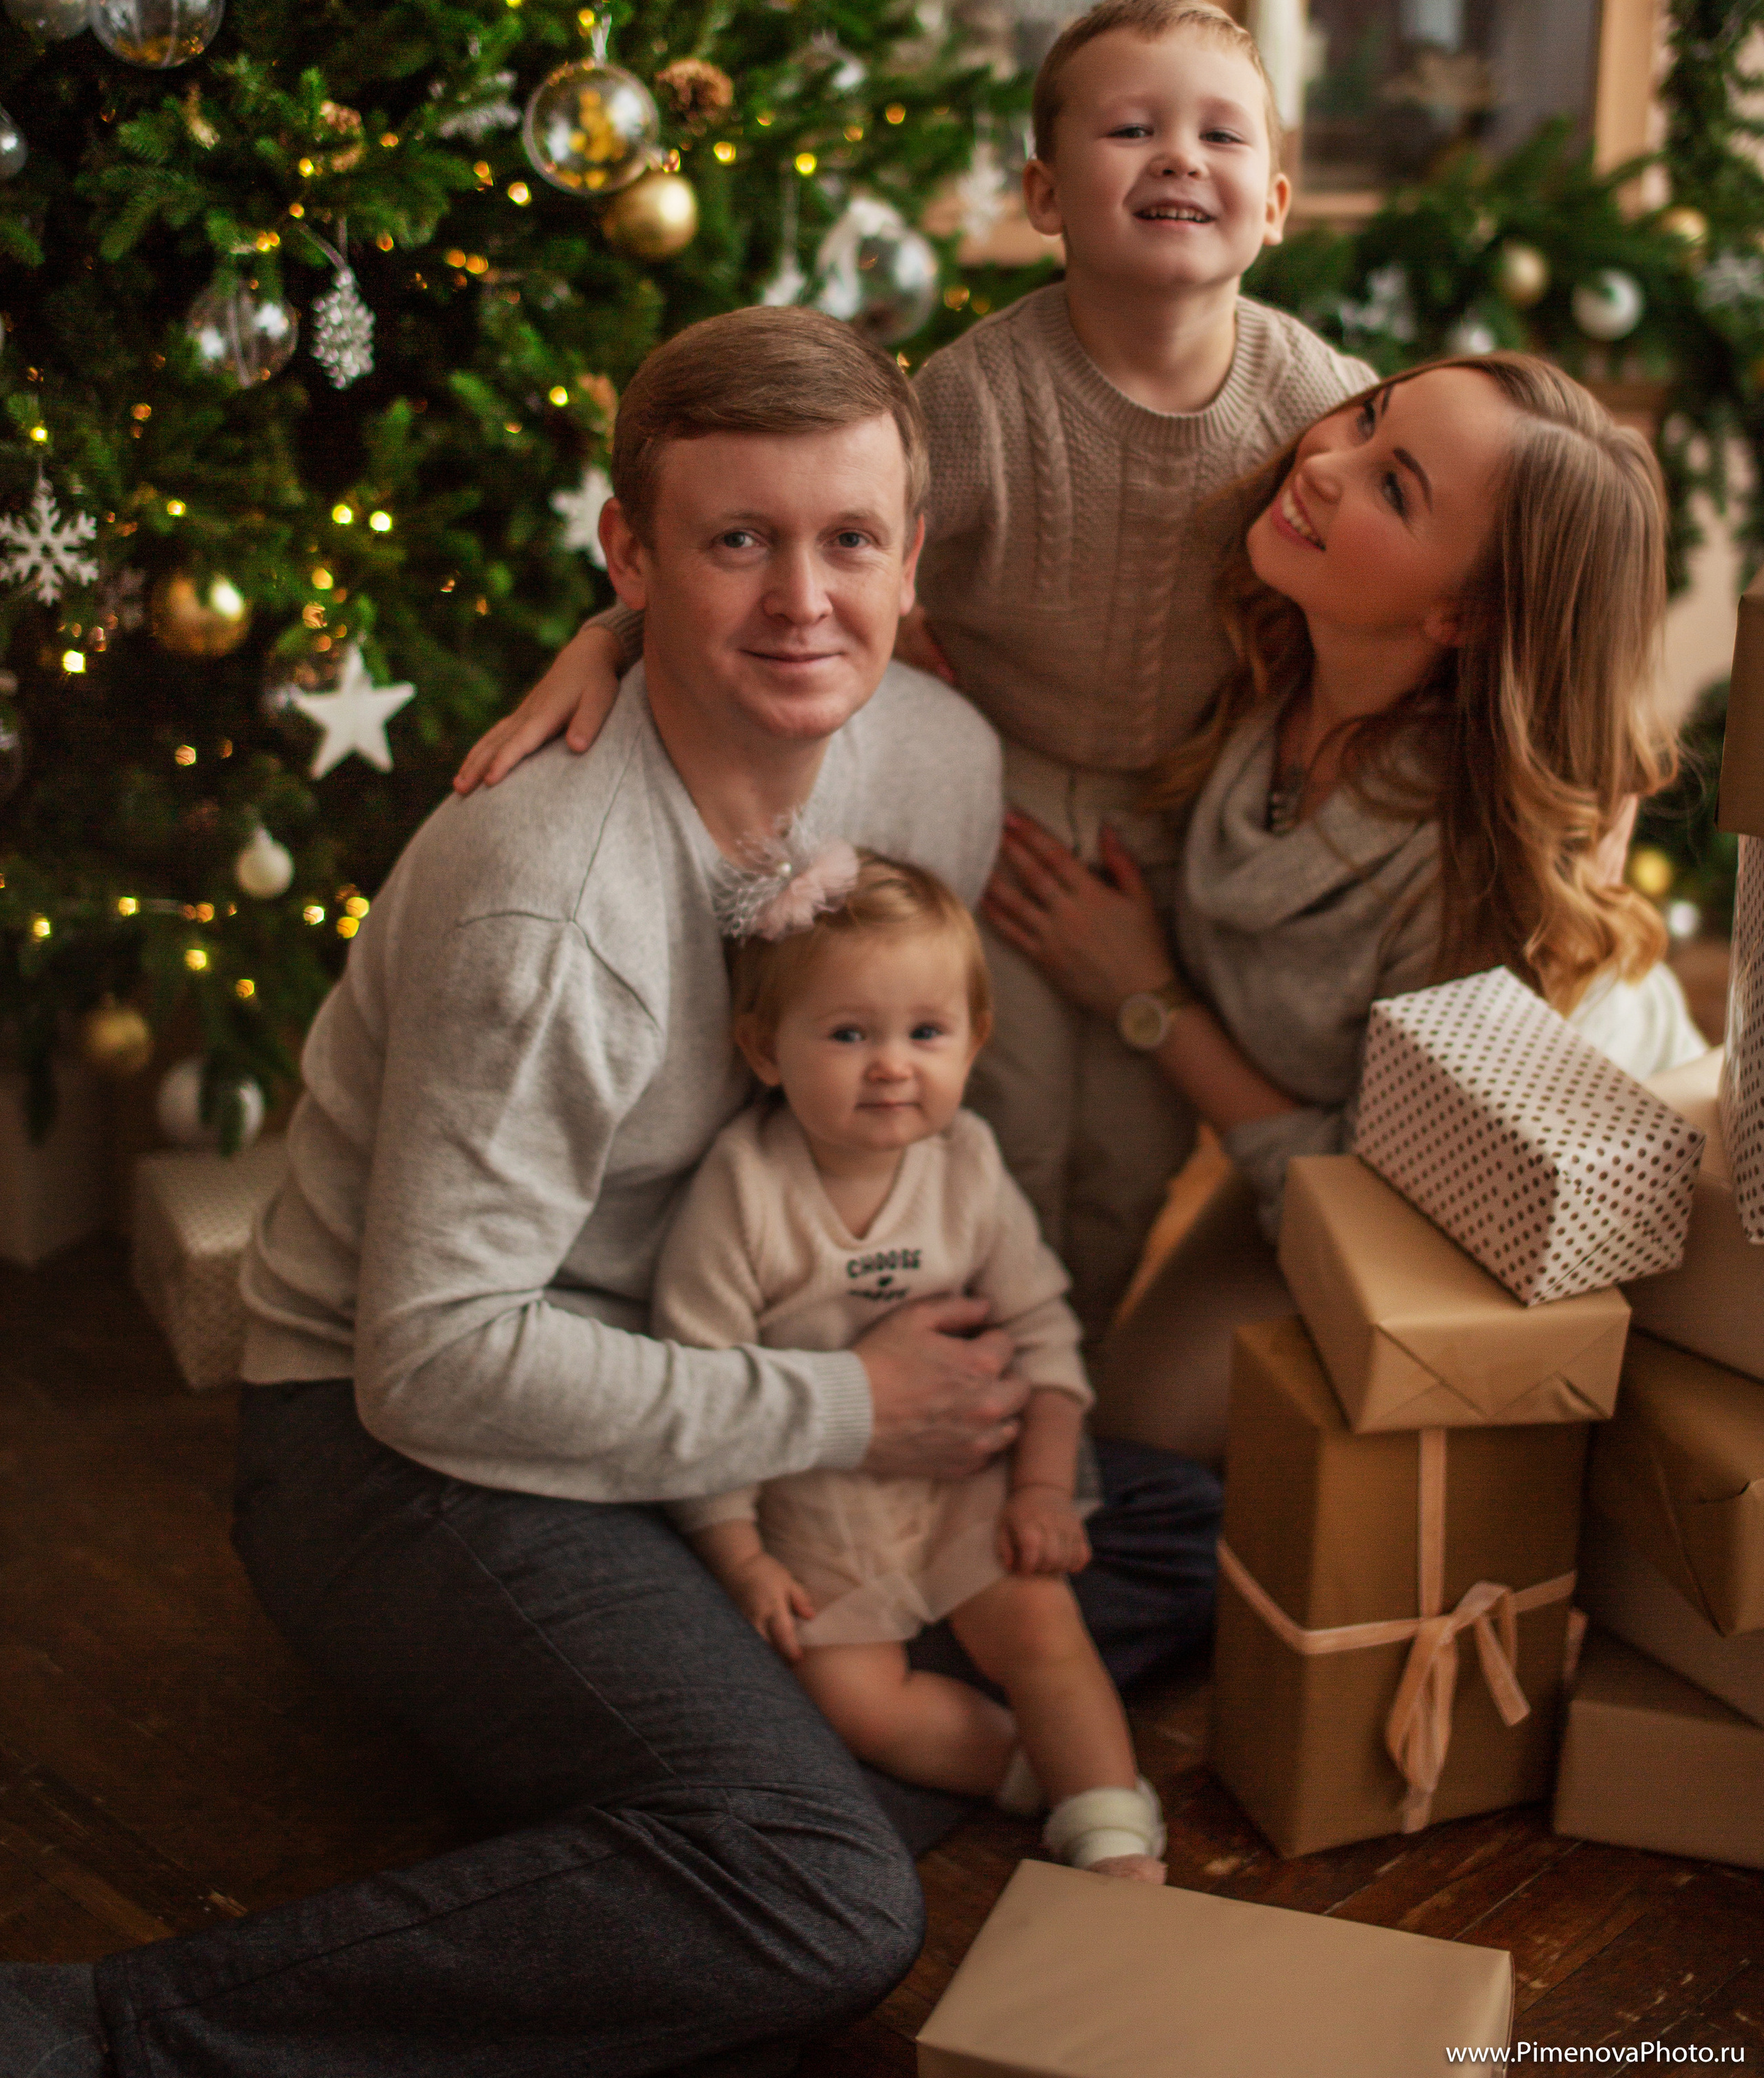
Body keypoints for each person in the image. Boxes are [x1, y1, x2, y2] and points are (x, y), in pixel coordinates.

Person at [0, 307, 1216, 2078]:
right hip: (392, 1452)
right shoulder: (544, 905)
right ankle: (104, 2033)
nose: (804, 600)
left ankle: (690, 1772)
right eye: (735, 542)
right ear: (629, 553)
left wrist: (892, 1376)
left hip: (703, 1353)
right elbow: (429, 1366)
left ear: (911, 553)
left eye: (847, 540)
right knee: (822, 1900)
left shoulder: (935, 764)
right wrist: (843, 1405)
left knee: (1167, 1529)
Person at [455, 0, 1377, 1342]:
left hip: (1183, 814)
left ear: (1277, 200)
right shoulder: (973, 396)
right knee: (982, 1111)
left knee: (1127, 1149)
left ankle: (1049, 1380)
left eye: (1219, 136)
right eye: (1132, 128)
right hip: (985, 795)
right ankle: (914, 1368)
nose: (1179, 157)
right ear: (1045, 193)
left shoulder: (1313, 404)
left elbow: (1424, 566)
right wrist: (608, 632)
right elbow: (824, 551)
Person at [981, 354, 1703, 1467]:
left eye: (1395, 487)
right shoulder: (1274, 653)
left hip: (1493, 1207)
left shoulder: (1468, 874)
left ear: (1461, 613)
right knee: (1119, 1433)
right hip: (1318, 1150)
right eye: (1367, 417)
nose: (1323, 461)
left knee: (1142, 1473)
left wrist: (1148, 1001)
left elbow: (1388, 1183)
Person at [653, 850, 1166, 1882]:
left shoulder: (965, 1166)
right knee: (853, 1705)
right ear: (764, 1051)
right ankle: (1024, 1774)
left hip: (964, 1481)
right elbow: (699, 1384)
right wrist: (738, 1555)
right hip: (815, 1512)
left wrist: (1038, 1489)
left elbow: (1045, 1335)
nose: (892, 1065)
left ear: (974, 1041)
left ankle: (1113, 1828)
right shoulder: (744, 1191)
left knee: (1040, 1617)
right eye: (849, 1035)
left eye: (925, 1034)